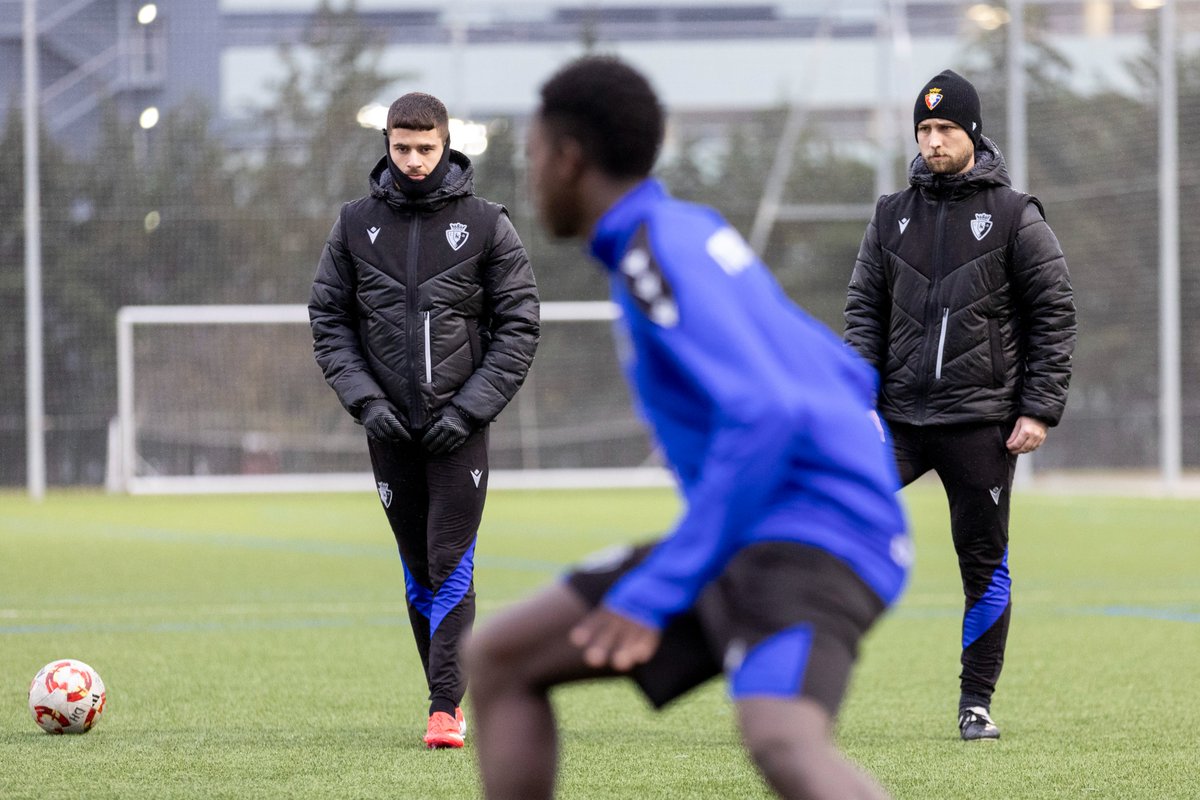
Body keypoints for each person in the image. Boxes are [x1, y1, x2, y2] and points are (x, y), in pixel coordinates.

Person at [464, 56, 911, 800]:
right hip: (763, 523)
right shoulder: (686, 232)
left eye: (533, 156)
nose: (530, 176)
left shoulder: (654, 252)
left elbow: (767, 411)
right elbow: (838, 374)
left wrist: (659, 587)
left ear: (569, 159)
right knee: (502, 658)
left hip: (810, 533)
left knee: (782, 737)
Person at [843, 69, 1076, 741]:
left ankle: (976, 704)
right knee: (820, 509)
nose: (933, 140)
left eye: (945, 128)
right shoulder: (891, 214)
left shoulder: (1015, 215)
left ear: (971, 132)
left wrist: (1038, 408)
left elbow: (1054, 314)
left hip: (980, 424)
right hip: (896, 421)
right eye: (924, 129)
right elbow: (863, 311)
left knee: (984, 565)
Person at [309, 92, 539, 749]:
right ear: (387, 144)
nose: (413, 160)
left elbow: (519, 325)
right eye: (402, 147)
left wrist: (468, 410)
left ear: (446, 144)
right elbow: (329, 320)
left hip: (459, 430)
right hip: (387, 429)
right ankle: (446, 697)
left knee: (450, 561)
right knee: (418, 571)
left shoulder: (487, 224)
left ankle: (444, 710)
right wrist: (368, 403)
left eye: (425, 148)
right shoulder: (354, 224)